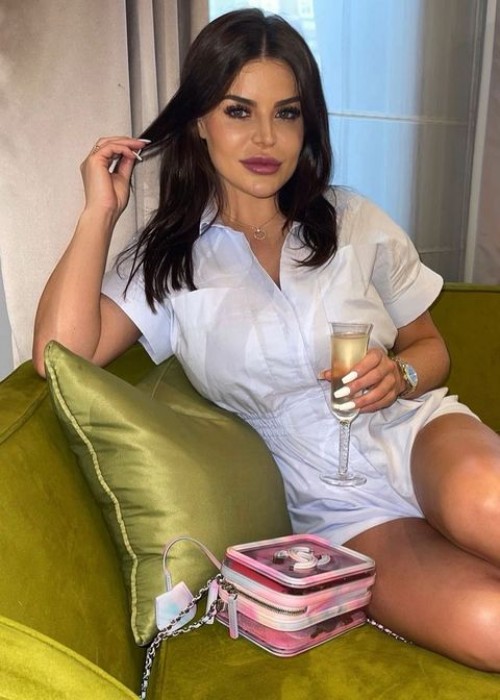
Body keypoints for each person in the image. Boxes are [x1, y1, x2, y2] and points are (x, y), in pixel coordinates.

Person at [33, 8, 500, 670]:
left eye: (287, 113)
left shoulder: (352, 218)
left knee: (488, 501)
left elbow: (431, 346)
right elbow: (58, 357)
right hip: (338, 509)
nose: (265, 137)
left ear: (307, 124)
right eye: (238, 110)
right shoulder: (169, 260)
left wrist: (401, 376)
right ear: (200, 119)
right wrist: (98, 213)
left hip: (416, 434)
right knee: (489, 624)